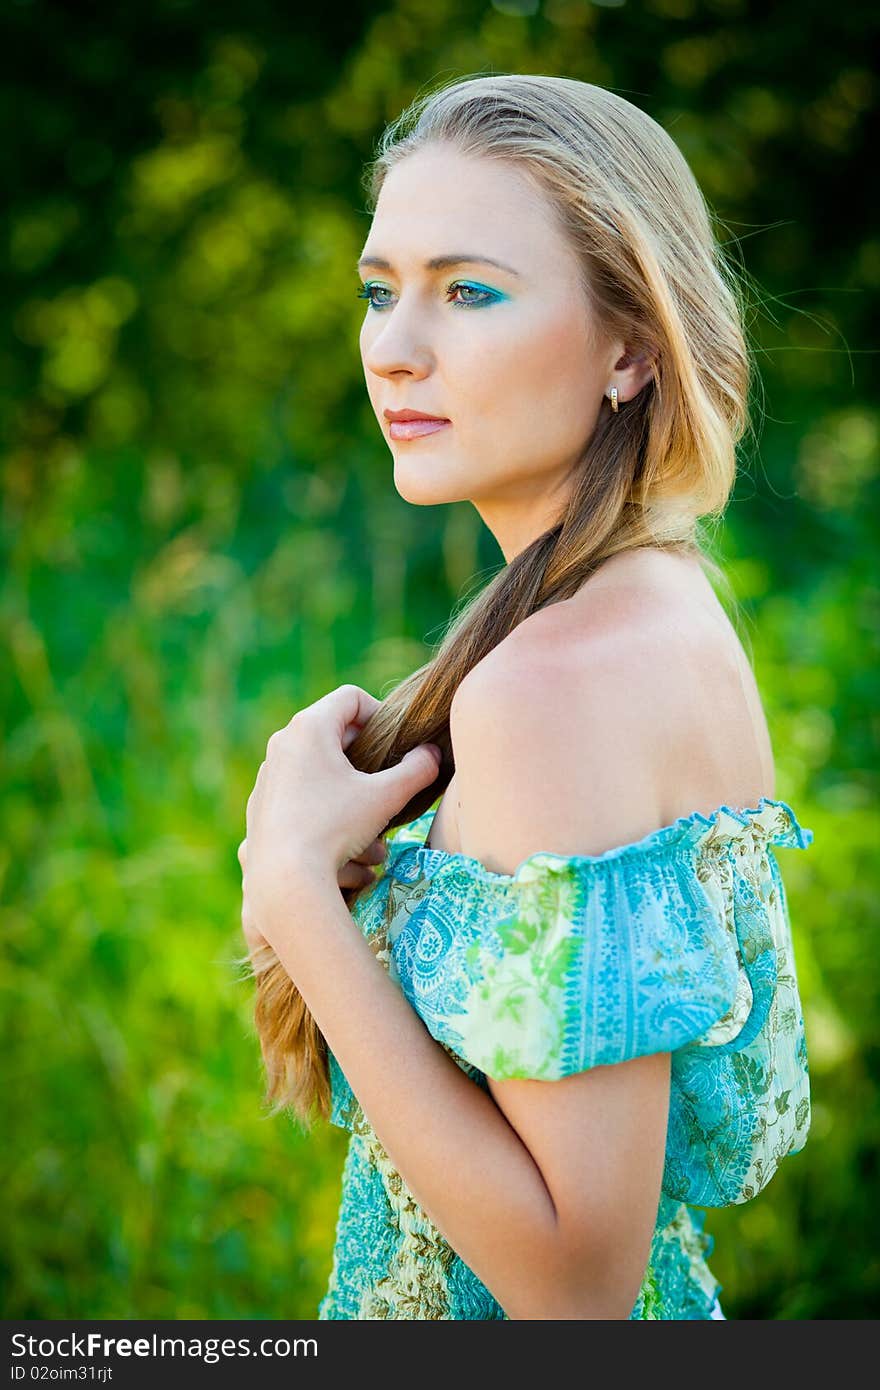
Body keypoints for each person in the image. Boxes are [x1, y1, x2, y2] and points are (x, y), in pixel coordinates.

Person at [236, 73, 814, 1320]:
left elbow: (574, 1287)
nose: (393, 346)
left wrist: (293, 892)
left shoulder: (555, 685)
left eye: (470, 291)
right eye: (380, 291)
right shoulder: (660, 597)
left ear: (628, 350)